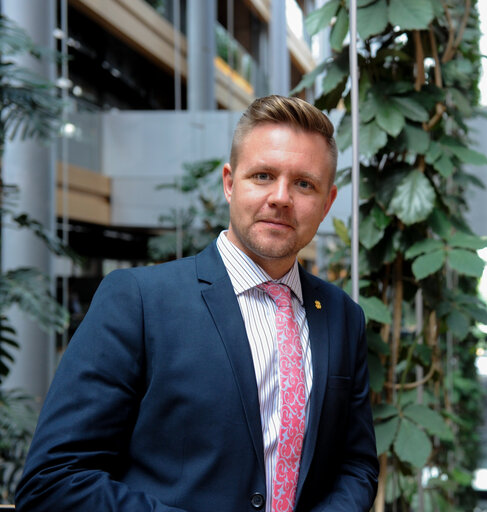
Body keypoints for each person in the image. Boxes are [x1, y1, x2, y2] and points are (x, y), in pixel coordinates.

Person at [15, 95, 379, 512]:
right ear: (229, 183)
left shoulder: (342, 316)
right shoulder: (138, 300)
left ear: (327, 202)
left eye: (303, 184)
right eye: (262, 175)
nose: (281, 197)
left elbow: (356, 465)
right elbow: (54, 481)